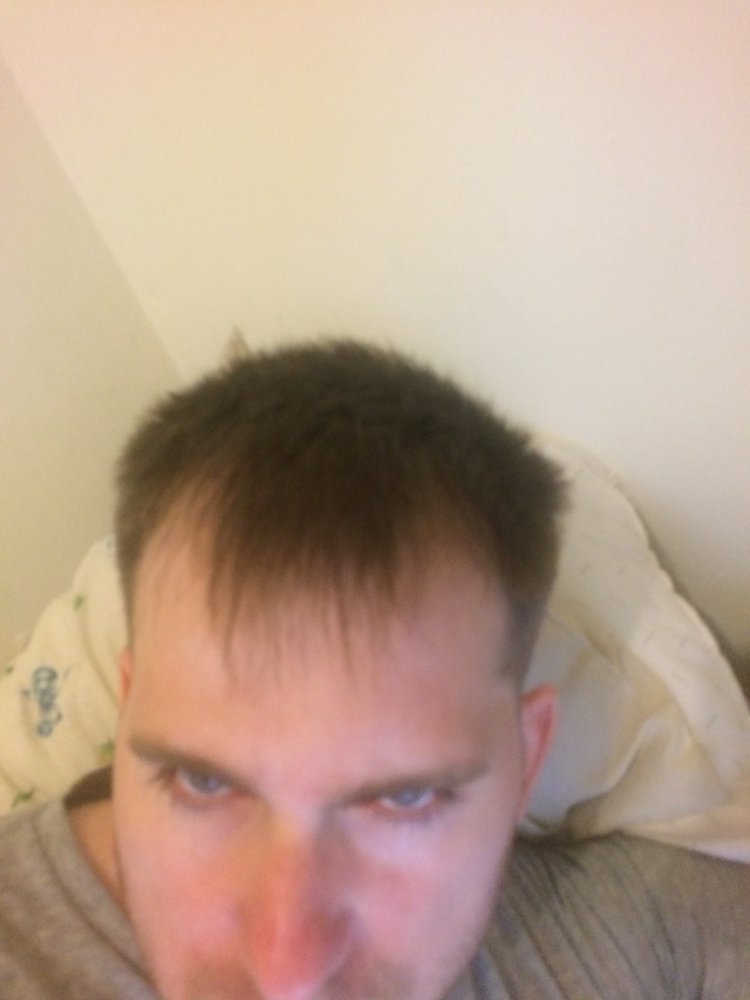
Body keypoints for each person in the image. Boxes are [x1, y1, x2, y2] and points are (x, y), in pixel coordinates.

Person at [0, 339, 748, 1000]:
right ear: (128, 707)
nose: (287, 975)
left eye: (406, 798)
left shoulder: (631, 934)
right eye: (202, 780)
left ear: (525, 757)